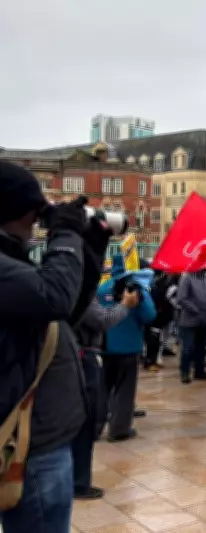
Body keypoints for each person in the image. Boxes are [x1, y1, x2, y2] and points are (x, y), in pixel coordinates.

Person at [0, 162, 110, 533]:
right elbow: (54, 300)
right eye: (32, 214)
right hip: (26, 444)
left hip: (38, 436)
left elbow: (65, 313)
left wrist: (89, 248)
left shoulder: (13, 266)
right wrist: (63, 232)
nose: (35, 223)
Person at [72, 290, 139, 499]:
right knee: (85, 420)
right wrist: (125, 305)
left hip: (76, 355)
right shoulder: (81, 290)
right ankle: (78, 482)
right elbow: (102, 320)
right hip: (83, 355)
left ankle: (75, 479)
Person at [96, 255, 156, 442]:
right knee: (124, 391)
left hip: (105, 347)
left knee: (101, 390)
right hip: (129, 348)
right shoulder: (134, 288)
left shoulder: (103, 288)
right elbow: (149, 315)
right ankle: (119, 429)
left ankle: (94, 428)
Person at [176, 270, 206, 383]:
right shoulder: (187, 277)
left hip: (204, 320)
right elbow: (181, 298)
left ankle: (199, 371)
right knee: (188, 348)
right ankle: (185, 373)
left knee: (201, 348)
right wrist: (196, 310)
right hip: (189, 321)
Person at [143, 270, 176, 372]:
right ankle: (149, 362)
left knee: (156, 340)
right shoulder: (156, 284)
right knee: (152, 340)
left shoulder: (163, 283)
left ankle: (153, 361)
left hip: (160, 316)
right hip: (155, 316)